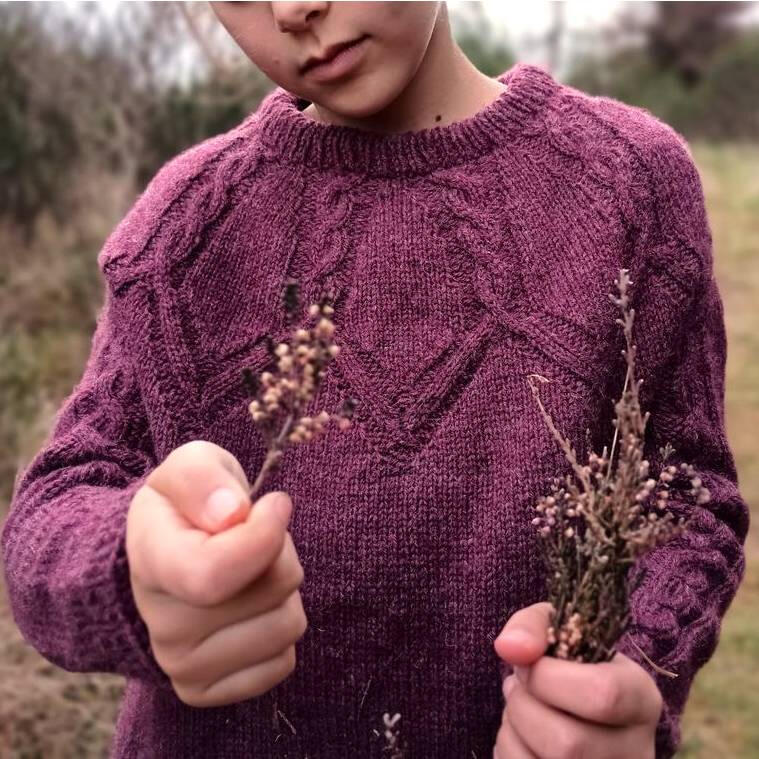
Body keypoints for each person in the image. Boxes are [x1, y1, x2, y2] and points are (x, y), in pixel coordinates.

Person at [1, 2, 748, 758]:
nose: (292, 9)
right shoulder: (185, 225)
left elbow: (689, 500)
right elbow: (53, 509)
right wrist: (133, 568)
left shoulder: (627, 181)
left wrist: (627, 678)